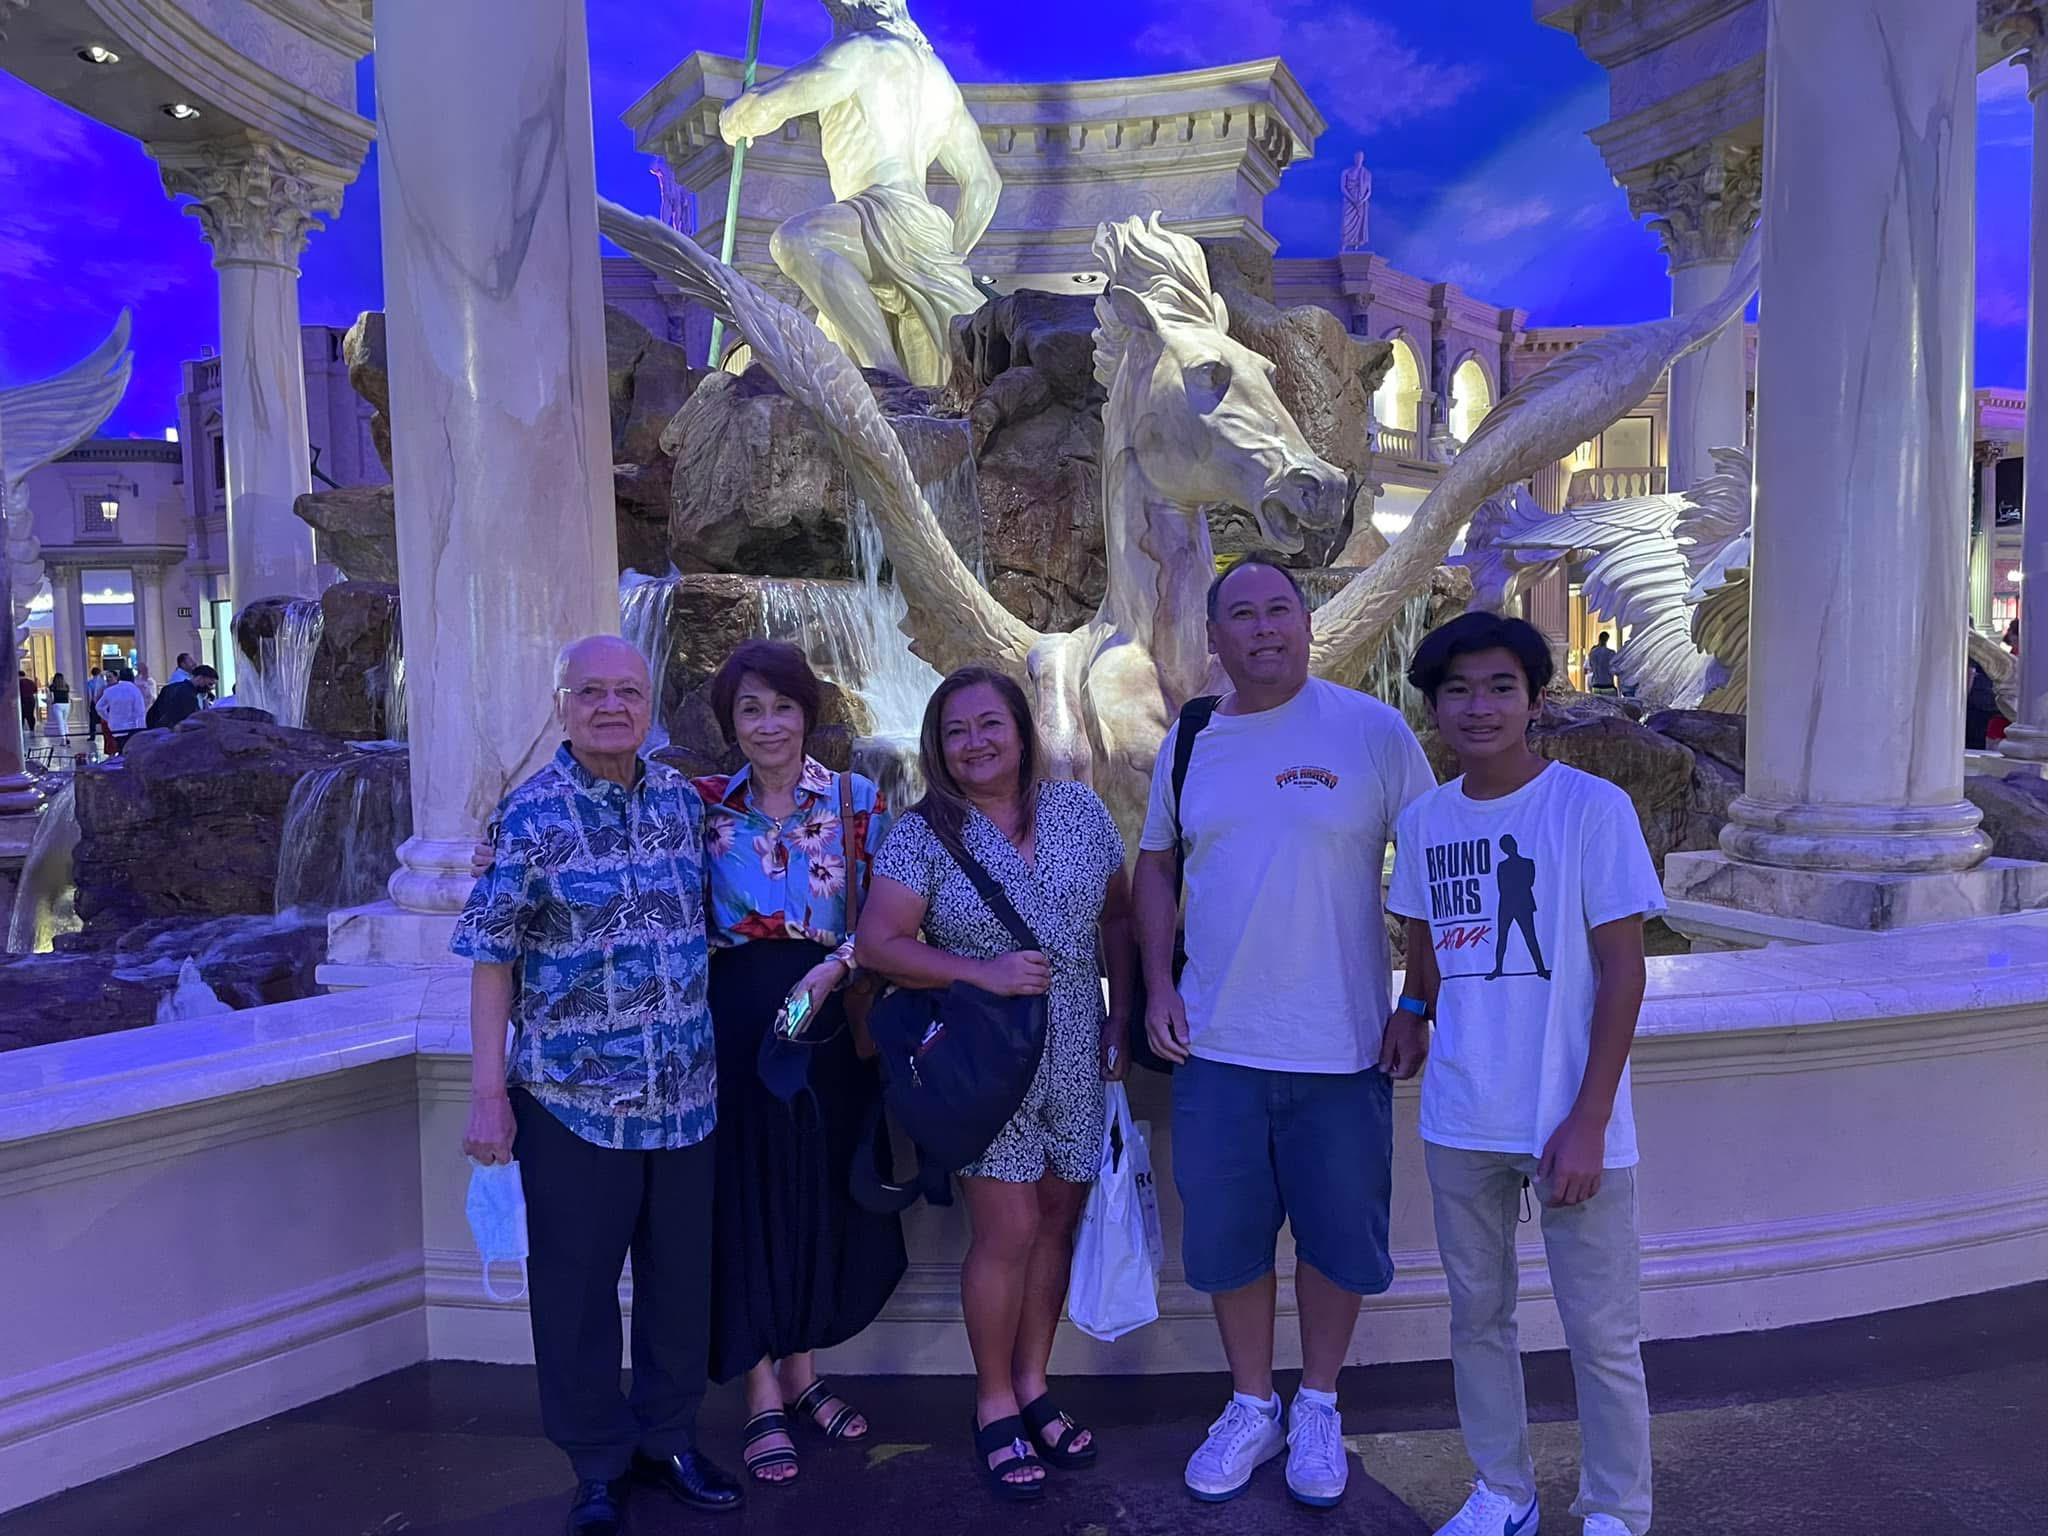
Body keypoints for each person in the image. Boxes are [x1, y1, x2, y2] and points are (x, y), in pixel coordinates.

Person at [1133, 554, 1435, 1510]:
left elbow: (1431, 869)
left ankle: (1319, 1404)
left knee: (1339, 1240)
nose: (1264, 629)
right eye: (1243, 615)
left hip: (1344, 1045)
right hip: (1215, 1045)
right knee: (1228, 1242)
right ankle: (1252, 1403)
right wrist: (1155, 985)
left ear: (1307, 624)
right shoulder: (1191, 739)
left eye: (1279, 610)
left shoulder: (1373, 731)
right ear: (1214, 639)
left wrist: (1418, 1002)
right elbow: (1154, 867)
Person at [453, 635, 743, 1536]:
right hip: (572, 1102)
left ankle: (669, 1439)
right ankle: (596, 1465)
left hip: (685, 1097)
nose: (611, 706)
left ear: (649, 703)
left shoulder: (683, 802)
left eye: (627, 691)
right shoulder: (528, 816)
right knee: (575, 1293)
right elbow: (493, 959)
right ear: (562, 707)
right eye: (591, 692)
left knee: (679, 1285)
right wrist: (488, 1093)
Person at [1384, 612, 1662, 1536]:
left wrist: (1588, 1120)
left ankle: (1615, 1508)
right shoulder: (1425, 821)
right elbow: (1426, 944)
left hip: (1568, 1119)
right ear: (1434, 709)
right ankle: (1503, 1491)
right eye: (1458, 690)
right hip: (1462, 1116)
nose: (1481, 707)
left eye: (1501, 687)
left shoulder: (1590, 810)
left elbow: (1624, 972)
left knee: (1602, 1332)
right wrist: (1412, 1010)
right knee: (1477, 1318)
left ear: (1536, 701)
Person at [857, 665, 1132, 1502]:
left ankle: (1035, 1384)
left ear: (1020, 730)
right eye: (956, 732)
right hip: (985, 1059)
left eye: (989, 725)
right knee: (1007, 1230)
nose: (974, 743)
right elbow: (879, 944)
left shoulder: (1080, 812)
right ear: (937, 748)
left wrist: (1122, 1014)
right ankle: (994, 1403)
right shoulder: (923, 834)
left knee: (1056, 1221)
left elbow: (1118, 915)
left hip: (1077, 1046)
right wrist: (981, 971)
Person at [692, 639, 907, 1486]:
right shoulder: (702, 807)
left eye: (783, 706)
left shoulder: (858, 801)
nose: (769, 724)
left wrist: (835, 968)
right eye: (750, 709)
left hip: (826, 1023)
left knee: (818, 1189)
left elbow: (890, 914)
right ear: (730, 723)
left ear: (807, 713)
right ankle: (760, 1394)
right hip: (734, 1024)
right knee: (745, 1197)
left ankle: (804, 1373)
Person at [147, 665, 217, 731]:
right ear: (200, 678)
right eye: (210, 684)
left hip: (155, 731)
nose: (211, 688)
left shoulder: (169, 687)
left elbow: (151, 715)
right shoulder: (189, 696)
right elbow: (192, 722)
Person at [98, 667, 148, 754]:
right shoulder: (135, 690)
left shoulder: (110, 690)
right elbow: (140, 711)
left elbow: (99, 707)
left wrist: (109, 718)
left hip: (115, 727)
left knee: (120, 748)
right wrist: (142, 728)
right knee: (129, 751)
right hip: (131, 727)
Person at [1967, 655, 2000, 752]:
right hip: (1989, 701)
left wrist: (1963, 701)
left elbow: (1970, 672)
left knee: (1973, 745)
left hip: (1979, 704)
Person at [46, 673, 71, 743]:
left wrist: (48, 701)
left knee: (60, 722)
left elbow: (51, 697)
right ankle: (67, 737)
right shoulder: (66, 686)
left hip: (57, 704)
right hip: (66, 704)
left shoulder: (52, 686)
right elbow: (68, 696)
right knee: (65, 721)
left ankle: (63, 739)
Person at [18, 670, 36, 736]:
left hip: (23, 700)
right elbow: (35, 690)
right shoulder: (31, 681)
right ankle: (32, 729)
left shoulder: (19, 682)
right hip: (31, 700)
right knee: (30, 715)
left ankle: (21, 729)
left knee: (21, 715)